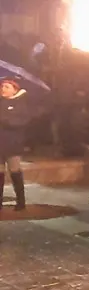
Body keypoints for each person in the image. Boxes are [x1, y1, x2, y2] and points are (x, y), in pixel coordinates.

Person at [0, 78, 30, 211]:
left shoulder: (21, 104)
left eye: (7, 87)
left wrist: (4, 119)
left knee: (15, 172)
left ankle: (21, 202)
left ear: (14, 90)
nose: (3, 89)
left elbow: (19, 122)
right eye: (2, 86)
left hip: (13, 144)